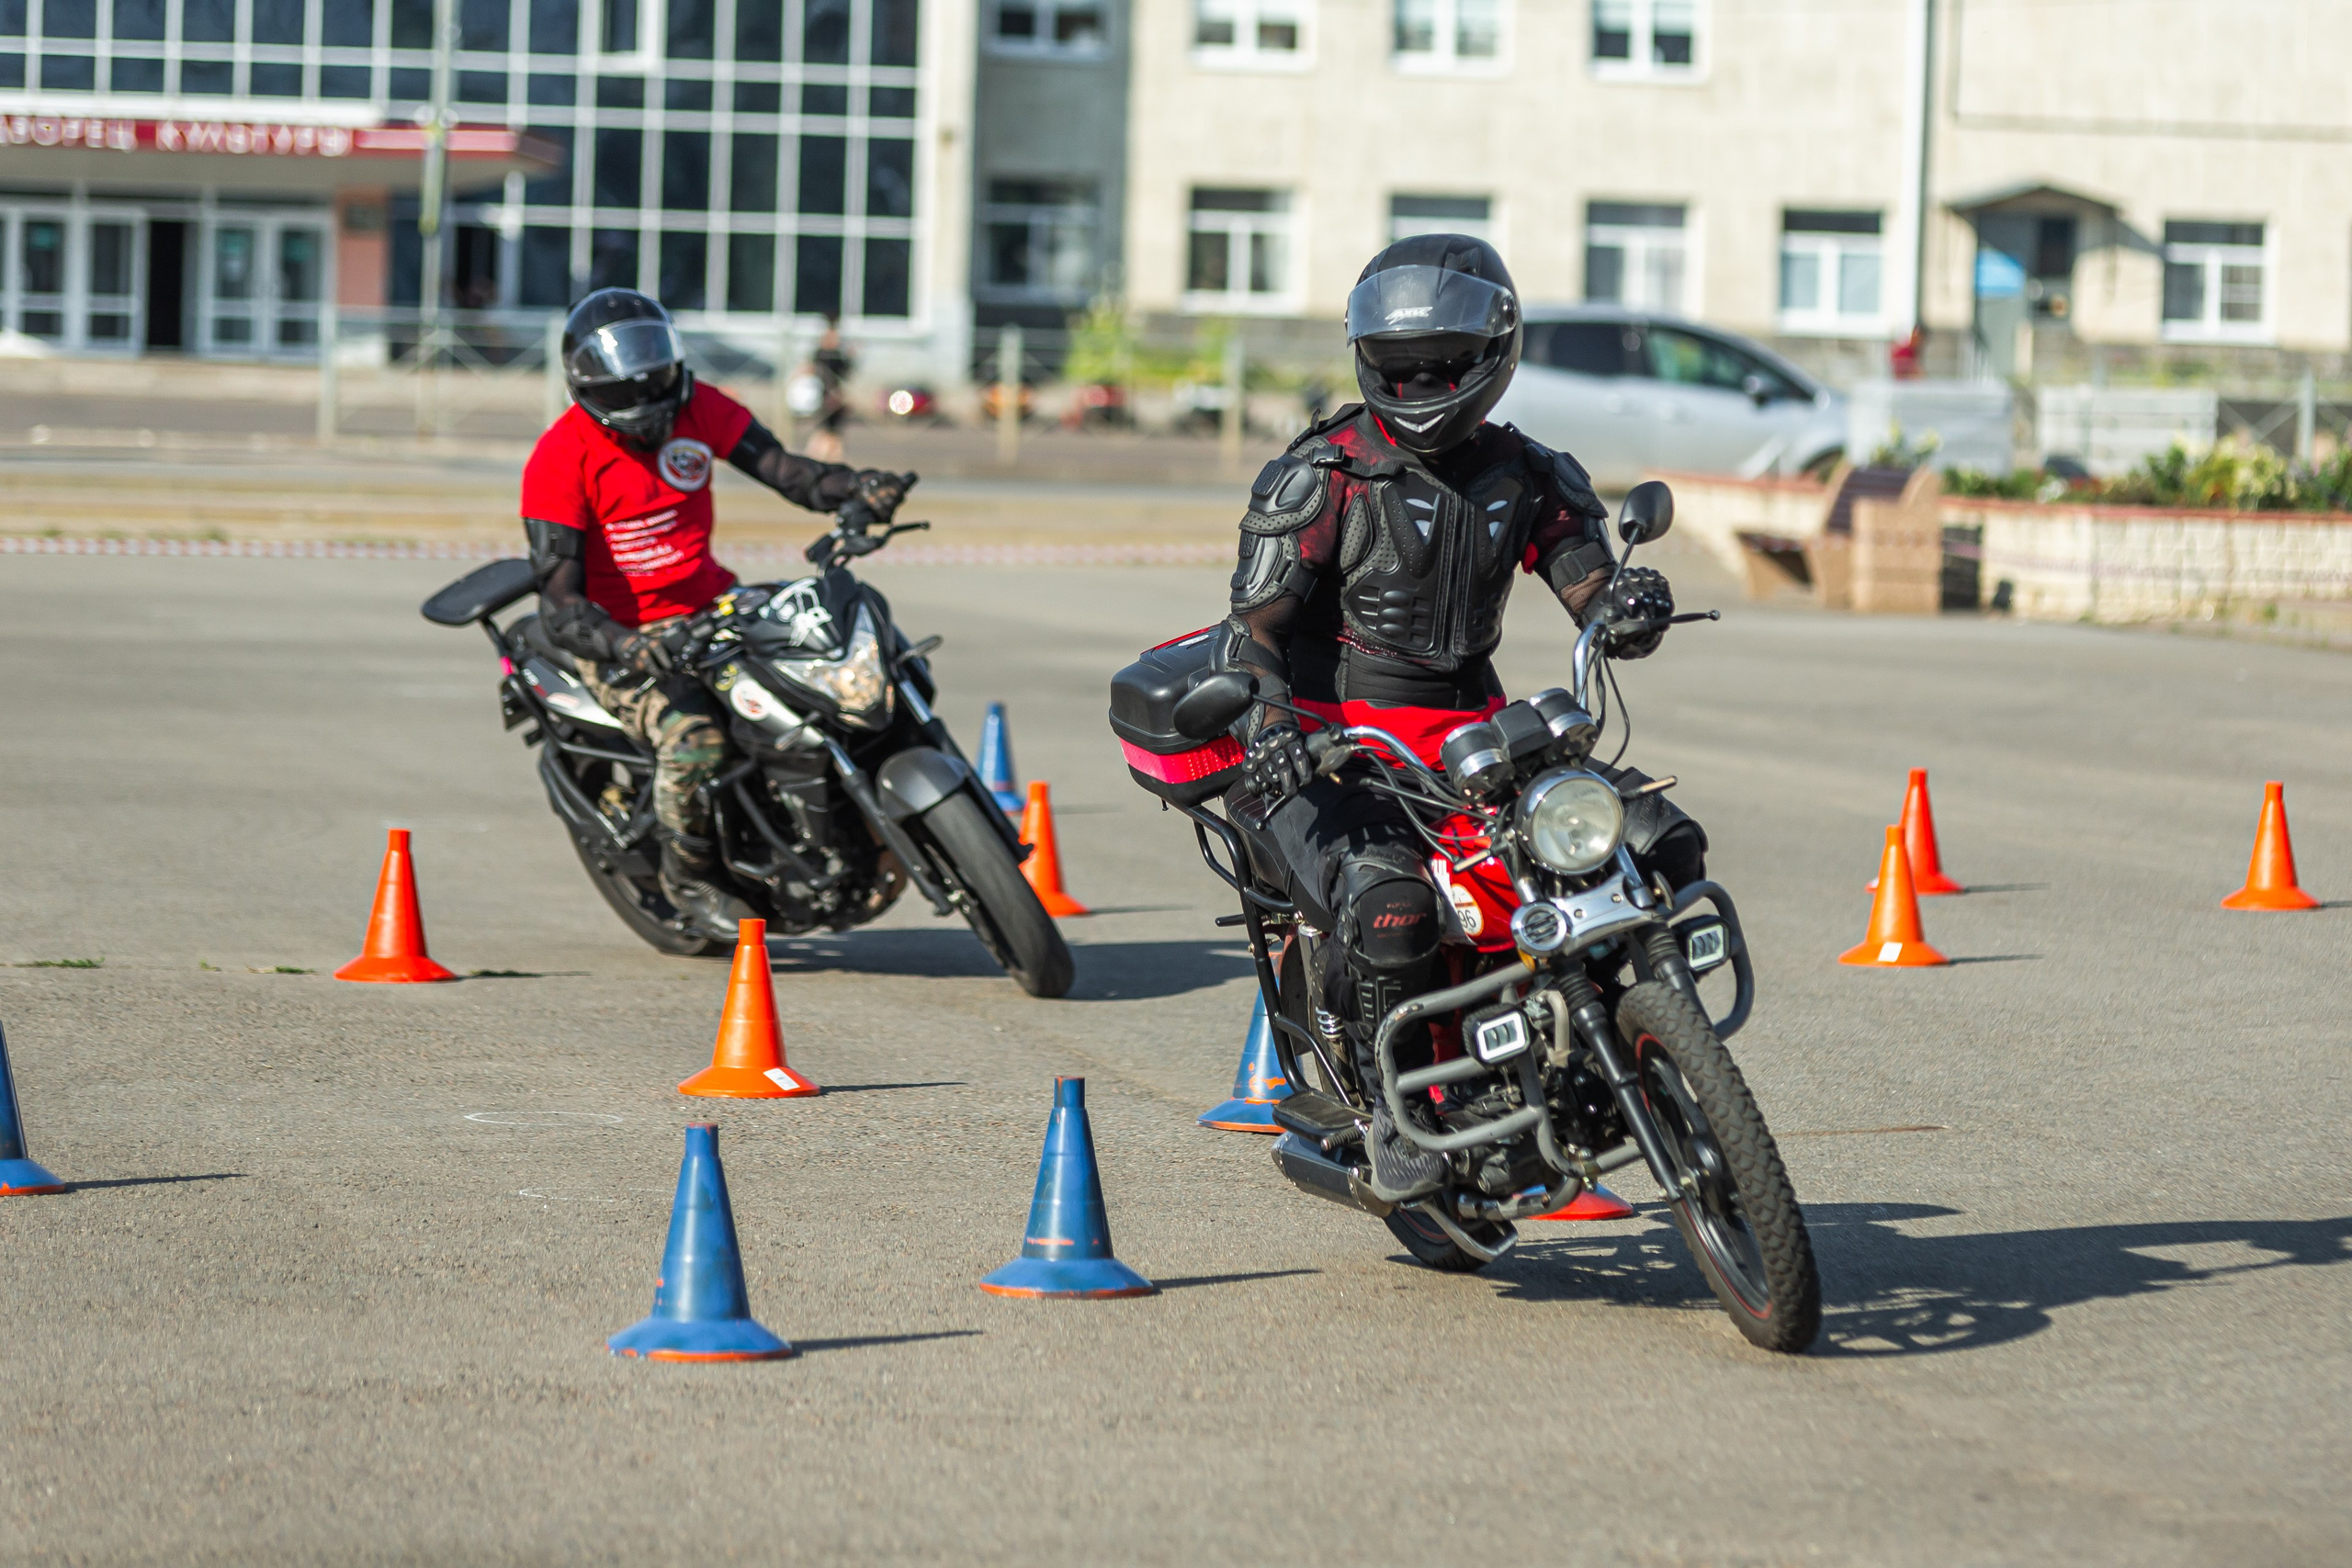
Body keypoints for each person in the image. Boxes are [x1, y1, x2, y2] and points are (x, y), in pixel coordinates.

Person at [1212, 234, 1699, 1202]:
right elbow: (1252, 633)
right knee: (1391, 904)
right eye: (1400, 366)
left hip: (1471, 731)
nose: (1419, 381)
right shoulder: (1319, 476)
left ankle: (1621, 1041)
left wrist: (1624, 607)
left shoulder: (1530, 473)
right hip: (1331, 739)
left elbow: (1587, 582)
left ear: (1492, 355)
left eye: (1439, 363)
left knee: (1655, 841)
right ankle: (1404, 1120)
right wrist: (1270, 737)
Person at [519, 288, 911, 938]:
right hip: (625, 639)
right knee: (695, 740)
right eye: (627, 380)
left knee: (822, 667)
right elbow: (559, 601)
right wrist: (628, 647)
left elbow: (788, 471)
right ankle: (690, 874)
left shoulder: (697, 406)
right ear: (588, 384)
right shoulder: (559, 460)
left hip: (716, 603)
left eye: (653, 359)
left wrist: (860, 485)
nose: (647, 391)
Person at [807, 313, 854, 462]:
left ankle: (833, 457)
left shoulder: (839, 353)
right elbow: (818, 369)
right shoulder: (822, 353)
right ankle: (815, 455)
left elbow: (845, 371)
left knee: (835, 429)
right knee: (824, 427)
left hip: (837, 391)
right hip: (826, 391)